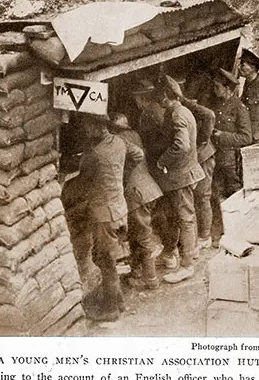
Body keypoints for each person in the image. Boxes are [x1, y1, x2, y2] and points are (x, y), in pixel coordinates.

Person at [79, 114, 143, 322]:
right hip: (119, 208)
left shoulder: (94, 154)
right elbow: (139, 155)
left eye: (88, 127)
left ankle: (111, 309)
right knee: (107, 258)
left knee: (104, 261)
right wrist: (121, 177)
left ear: (98, 127)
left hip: (103, 214)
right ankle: (120, 301)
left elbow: (83, 181)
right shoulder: (119, 142)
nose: (86, 131)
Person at [153, 76, 205, 284]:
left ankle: (187, 265)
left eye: (161, 97)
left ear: (167, 95)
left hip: (180, 175)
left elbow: (181, 145)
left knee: (185, 218)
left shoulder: (177, 115)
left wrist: (163, 160)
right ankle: (184, 253)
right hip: (185, 172)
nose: (159, 102)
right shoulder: (184, 111)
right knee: (182, 217)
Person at [108, 112, 163, 290]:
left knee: (144, 236)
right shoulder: (134, 134)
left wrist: (125, 175)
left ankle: (151, 279)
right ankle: (137, 272)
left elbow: (138, 155)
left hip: (137, 193)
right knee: (137, 234)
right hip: (149, 190)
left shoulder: (118, 141)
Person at [167, 77, 217, 256]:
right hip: (196, 157)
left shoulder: (187, 108)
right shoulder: (181, 110)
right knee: (194, 200)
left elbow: (210, 116)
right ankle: (196, 239)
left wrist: (203, 140)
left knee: (203, 197)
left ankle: (205, 236)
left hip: (203, 156)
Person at [210, 68, 252, 248]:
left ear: (228, 88)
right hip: (218, 158)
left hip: (232, 161)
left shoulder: (239, 108)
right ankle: (221, 234)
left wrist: (222, 135)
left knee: (235, 196)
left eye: (218, 87)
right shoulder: (219, 104)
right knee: (216, 196)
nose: (215, 90)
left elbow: (246, 138)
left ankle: (241, 233)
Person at [238, 48, 259, 143]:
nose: (240, 68)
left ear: (252, 68)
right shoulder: (248, 83)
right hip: (250, 134)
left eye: (243, 65)